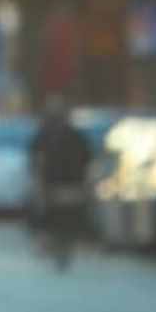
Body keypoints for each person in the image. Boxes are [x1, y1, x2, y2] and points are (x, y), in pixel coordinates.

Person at [27, 96, 93, 270]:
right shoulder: (75, 135)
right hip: (69, 182)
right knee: (64, 214)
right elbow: (87, 159)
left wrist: (38, 178)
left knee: (54, 213)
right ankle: (60, 242)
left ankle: (56, 242)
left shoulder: (46, 134)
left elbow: (36, 159)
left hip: (56, 182)